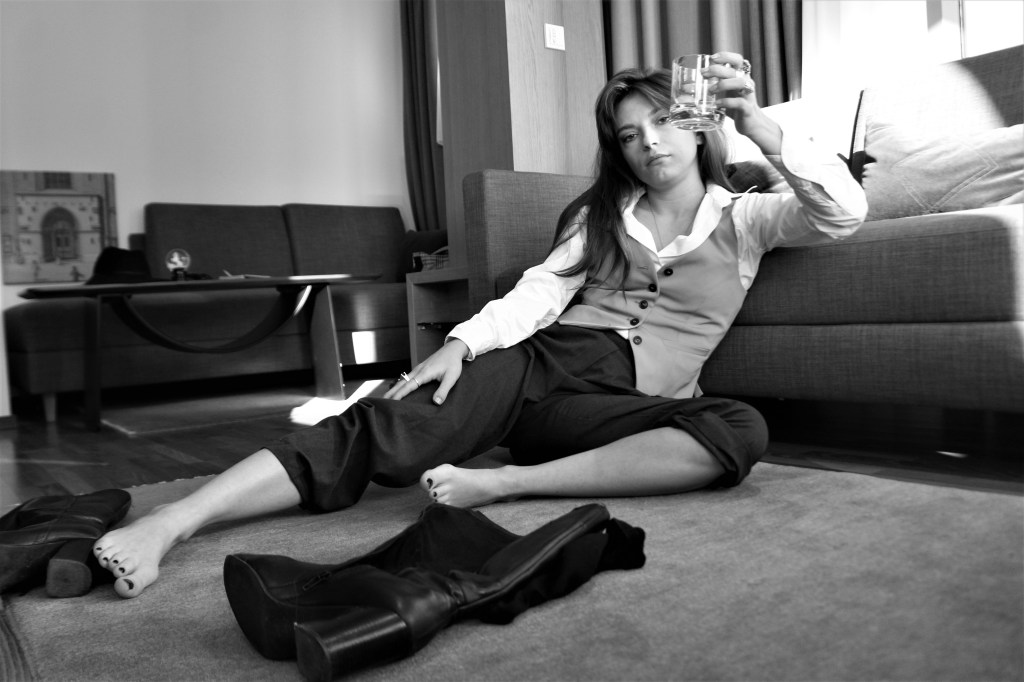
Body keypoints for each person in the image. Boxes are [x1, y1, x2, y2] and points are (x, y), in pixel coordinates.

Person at [93, 52, 867, 599]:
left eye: (661, 122)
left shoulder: (750, 219)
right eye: (629, 136)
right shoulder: (601, 216)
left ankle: (504, 484)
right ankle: (176, 520)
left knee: (740, 430)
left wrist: (759, 125)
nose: (648, 143)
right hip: (544, 363)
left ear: (698, 125)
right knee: (392, 423)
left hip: (614, 414)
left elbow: (842, 212)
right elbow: (540, 292)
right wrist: (462, 344)